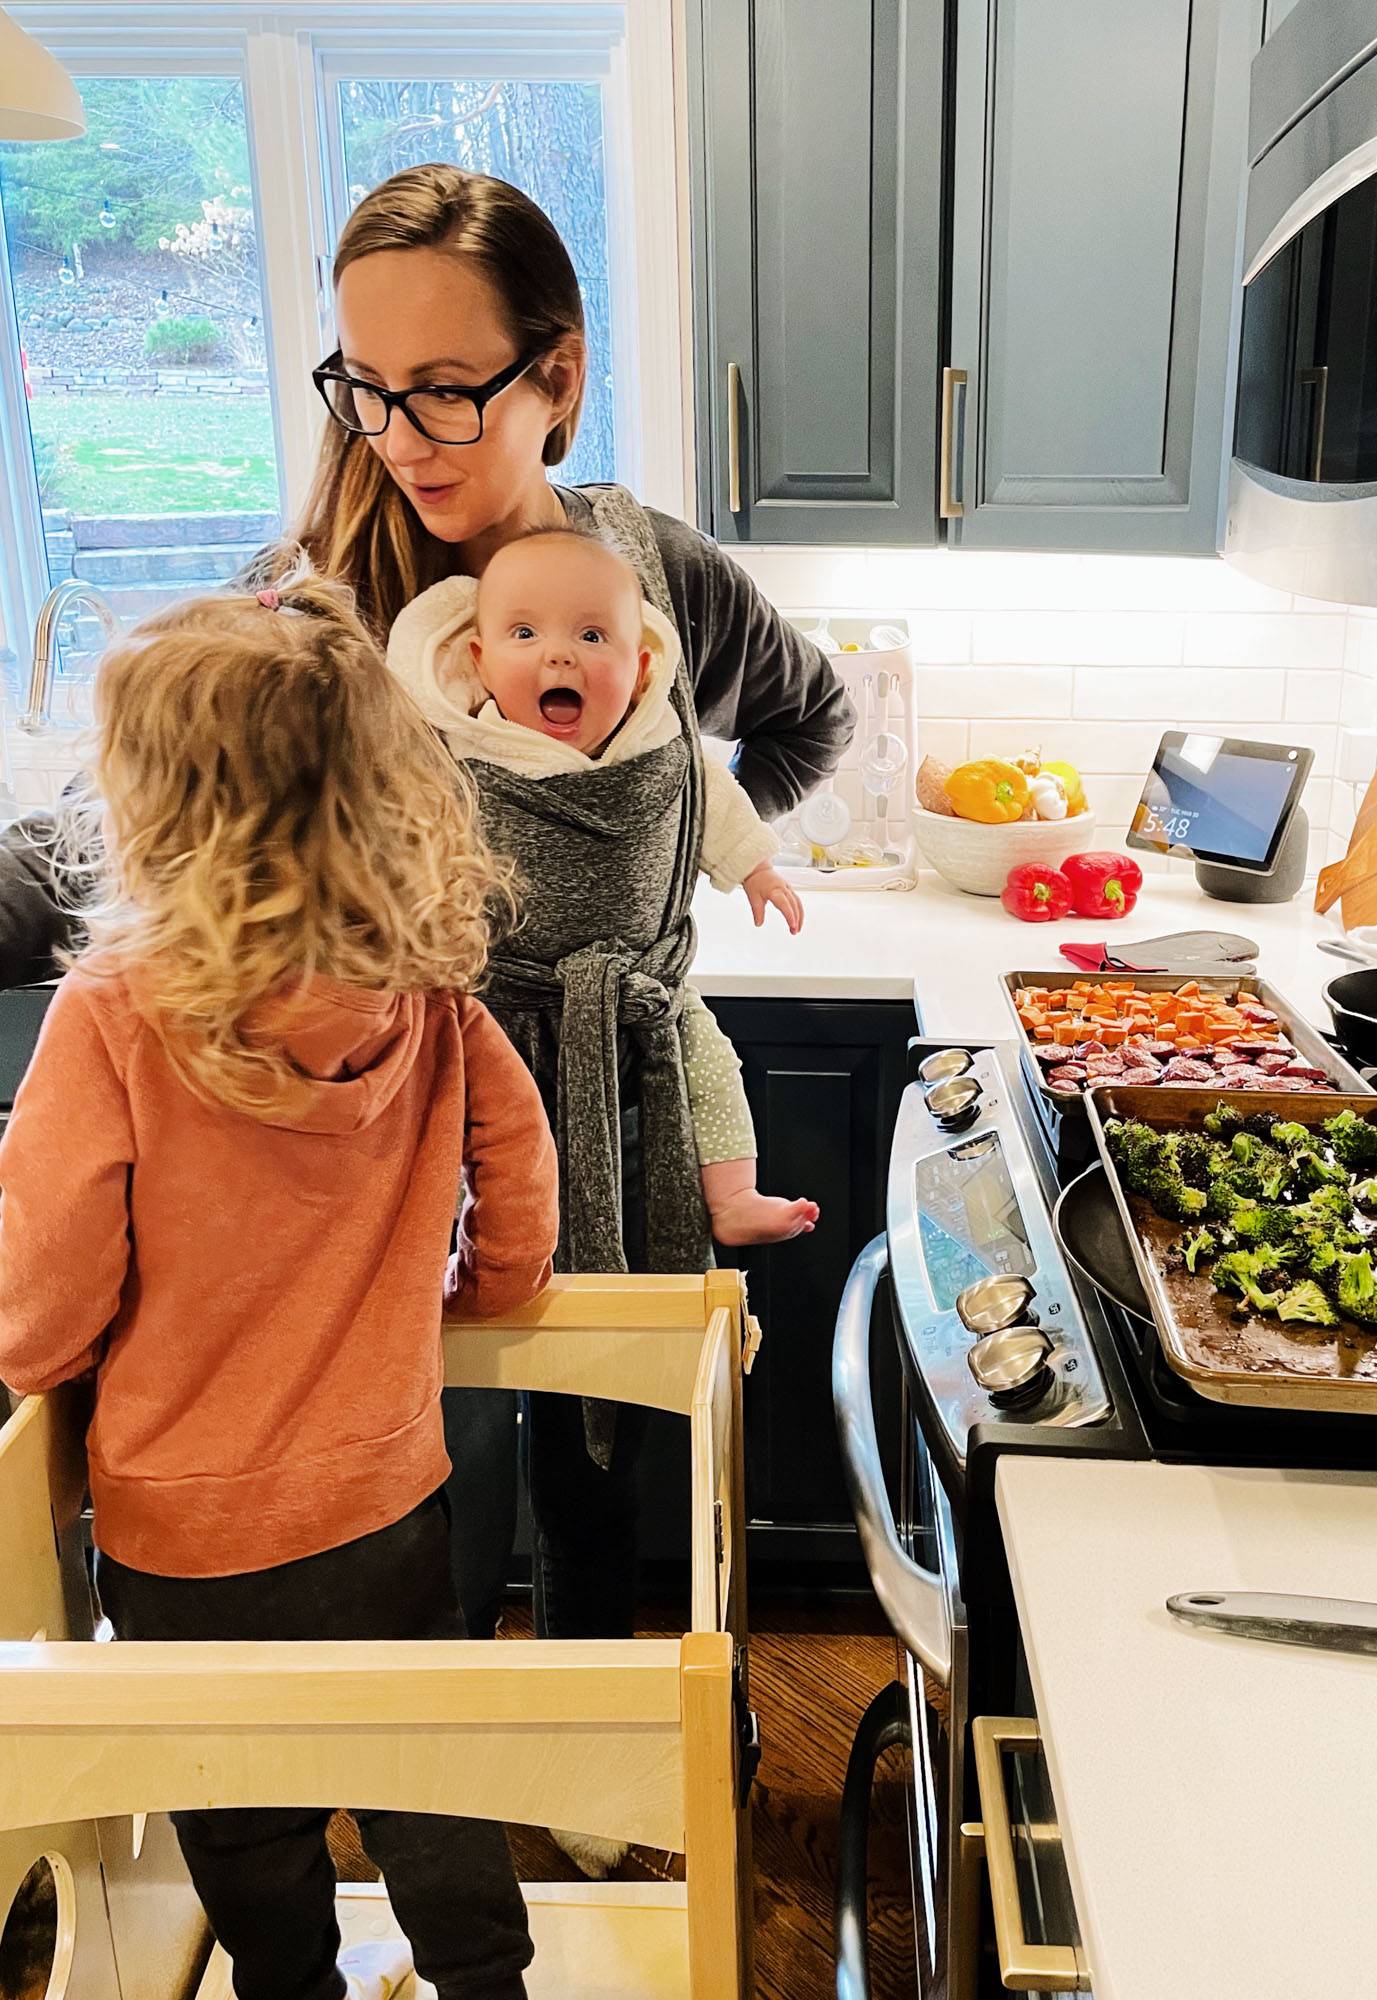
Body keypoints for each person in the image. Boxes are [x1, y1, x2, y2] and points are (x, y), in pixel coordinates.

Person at [0, 161, 854, 1694]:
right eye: (367, 393)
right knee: (419, 1455)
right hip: (380, 1134)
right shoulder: (315, 599)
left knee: (596, 1467)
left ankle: (593, 1748)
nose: (398, 441)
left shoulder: (642, 576)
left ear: (559, 376)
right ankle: (430, 1770)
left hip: (602, 1106)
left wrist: (695, 867)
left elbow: (806, 715)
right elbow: (117, 826)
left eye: (446, 392)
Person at [0, 576, 559, 2000]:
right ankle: (483, 1977)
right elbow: (522, 1163)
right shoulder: (424, 987)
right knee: (423, 1758)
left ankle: (291, 1985)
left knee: (241, 1798)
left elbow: (49, 1290)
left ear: (160, 806)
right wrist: (489, 1288)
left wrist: (40, 1363)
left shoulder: (119, 1013)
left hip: (185, 1531)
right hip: (387, 1492)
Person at [388, 524, 820, 1248]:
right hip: (504, 1004)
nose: (559, 653)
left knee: (711, 1062)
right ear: (479, 659)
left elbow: (706, 794)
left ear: (641, 667)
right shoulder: (460, 755)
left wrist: (755, 867)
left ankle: (734, 1192)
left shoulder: (657, 749)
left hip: (642, 995)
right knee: (477, 1126)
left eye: (592, 636)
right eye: (524, 633)